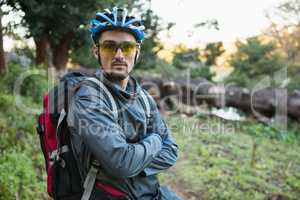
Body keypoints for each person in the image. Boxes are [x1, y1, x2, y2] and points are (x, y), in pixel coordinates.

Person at [67, 7, 181, 200]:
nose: (119, 55)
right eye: (109, 47)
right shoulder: (89, 98)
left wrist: (135, 162)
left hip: (150, 193)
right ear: (97, 51)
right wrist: (154, 140)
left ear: (137, 51)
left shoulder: (144, 98)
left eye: (127, 47)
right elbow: (122, 163)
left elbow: (171, 151)